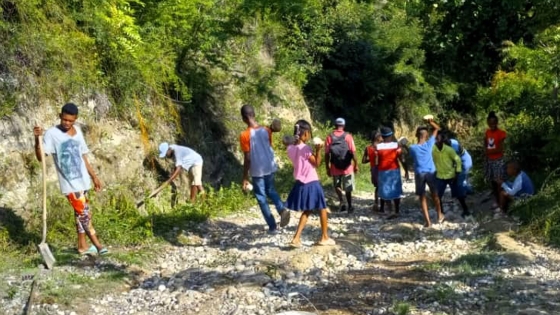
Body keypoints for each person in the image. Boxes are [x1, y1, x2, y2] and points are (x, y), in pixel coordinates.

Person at [33, 103, 108, 256]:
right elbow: (41, 157)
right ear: (60, 116)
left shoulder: (78, 131)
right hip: (69, 183)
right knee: (84, 214)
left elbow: (83, 156)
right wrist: (36, 139)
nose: (67, 123)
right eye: (65, 120)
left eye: (70, 121)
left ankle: (82, 246)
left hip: (83, 181)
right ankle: (98, 245)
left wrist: (94, 176)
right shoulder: (52, 134)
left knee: (80, 215)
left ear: (75, 119)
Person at [240, 104, 290, 234]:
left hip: (257, 169)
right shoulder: (266, 130)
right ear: (254, 114)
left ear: (244, 118)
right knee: (271, 189)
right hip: (269, 165)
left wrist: (245, 176)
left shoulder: (244, 135)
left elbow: (248, 158)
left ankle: (273, 226)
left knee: (261, 197)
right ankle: (282, 209)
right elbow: (268, 146)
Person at [286, 120, 335, 247]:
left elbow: (289, 143)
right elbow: (316, 164)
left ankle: (296, 238)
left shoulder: (290, 149)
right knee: (322, 208)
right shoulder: (306, 148)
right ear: (305, 133)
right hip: (312, 182)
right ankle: (324, 237)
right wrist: (318, 150)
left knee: (307, 210)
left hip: (300, 183)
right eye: (309, 133)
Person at [409, 120, 444, 227]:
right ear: (426, 135)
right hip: (430, 172)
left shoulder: (412, 148)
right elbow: (437, 128)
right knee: (435, 194)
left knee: (422, 197)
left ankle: (428, 221)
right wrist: (430, 121)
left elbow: (411, 159)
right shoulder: (429, 144)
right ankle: (439, 215)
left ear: (416, 135)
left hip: (420, 173)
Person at [433, 131, 471, 218]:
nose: (436, 141)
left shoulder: (451, 147)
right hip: (442, 174)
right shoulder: (435, 148)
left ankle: (466, 209)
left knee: (459, 188)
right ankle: (441, 213)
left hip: (459, 166)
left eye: (437, 139)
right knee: (438, 195)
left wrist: (456, 174)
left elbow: (457, 160)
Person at [325, 118, 358, 213]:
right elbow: (353, 152)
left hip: (335, 166)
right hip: (347, 167)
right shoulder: (348, 136)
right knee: (348, 187)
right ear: (343, 126)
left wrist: (327, 167)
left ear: (335, 125)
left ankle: (342, 201)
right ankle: (350, 206)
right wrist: (356, 164)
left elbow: (327, 154)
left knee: (337, 185)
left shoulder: (329, 137)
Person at [375, 127, 403, 218]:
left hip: (383, 171)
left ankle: (390, 210)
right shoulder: (396, 145)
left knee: (385, 191)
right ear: (391, 136)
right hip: (394, 170)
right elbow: (401, 158)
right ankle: (397, 211)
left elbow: (376, 162)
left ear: (382, 136)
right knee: (395, 190)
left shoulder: (378, 147)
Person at [484, 111, 507, 211]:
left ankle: (502, 203)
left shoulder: (501, 133)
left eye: (494, 122)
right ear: (488, 123)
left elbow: (500, 149)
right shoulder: (487, 132)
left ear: (497, 122)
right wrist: (486, 152)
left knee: (499, 182)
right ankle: (496, 200)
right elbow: (485, 144)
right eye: (490, 122)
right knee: (493, 182)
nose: (492, 124)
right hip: (490, 160)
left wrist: (488, 152)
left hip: (498, 160)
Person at [362, 131, 382, 212]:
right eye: (381, 137)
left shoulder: (368, 148)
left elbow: (363, 161)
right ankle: (384, 205)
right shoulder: (381, 147)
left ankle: (376, 203)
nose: (382, 138)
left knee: (377, 187)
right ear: (377, 138)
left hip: (373, 169)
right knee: (383, 186)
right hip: (381, 169)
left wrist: (371, 159)